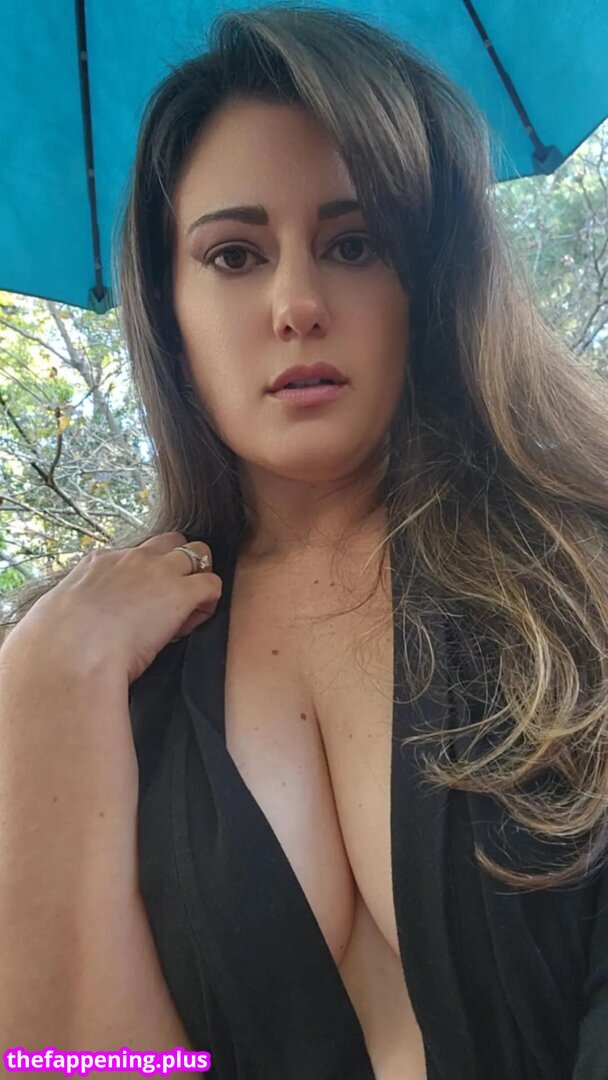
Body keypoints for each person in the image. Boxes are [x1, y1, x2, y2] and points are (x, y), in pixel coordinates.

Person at [2, 5, 608, 1079]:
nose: (296, 304)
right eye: (233, 254)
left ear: (432, 276)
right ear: (169, 308)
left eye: (353, 243)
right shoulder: (111, 664)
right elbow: (75, 1064)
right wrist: (46, 686)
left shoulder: (578, 568)